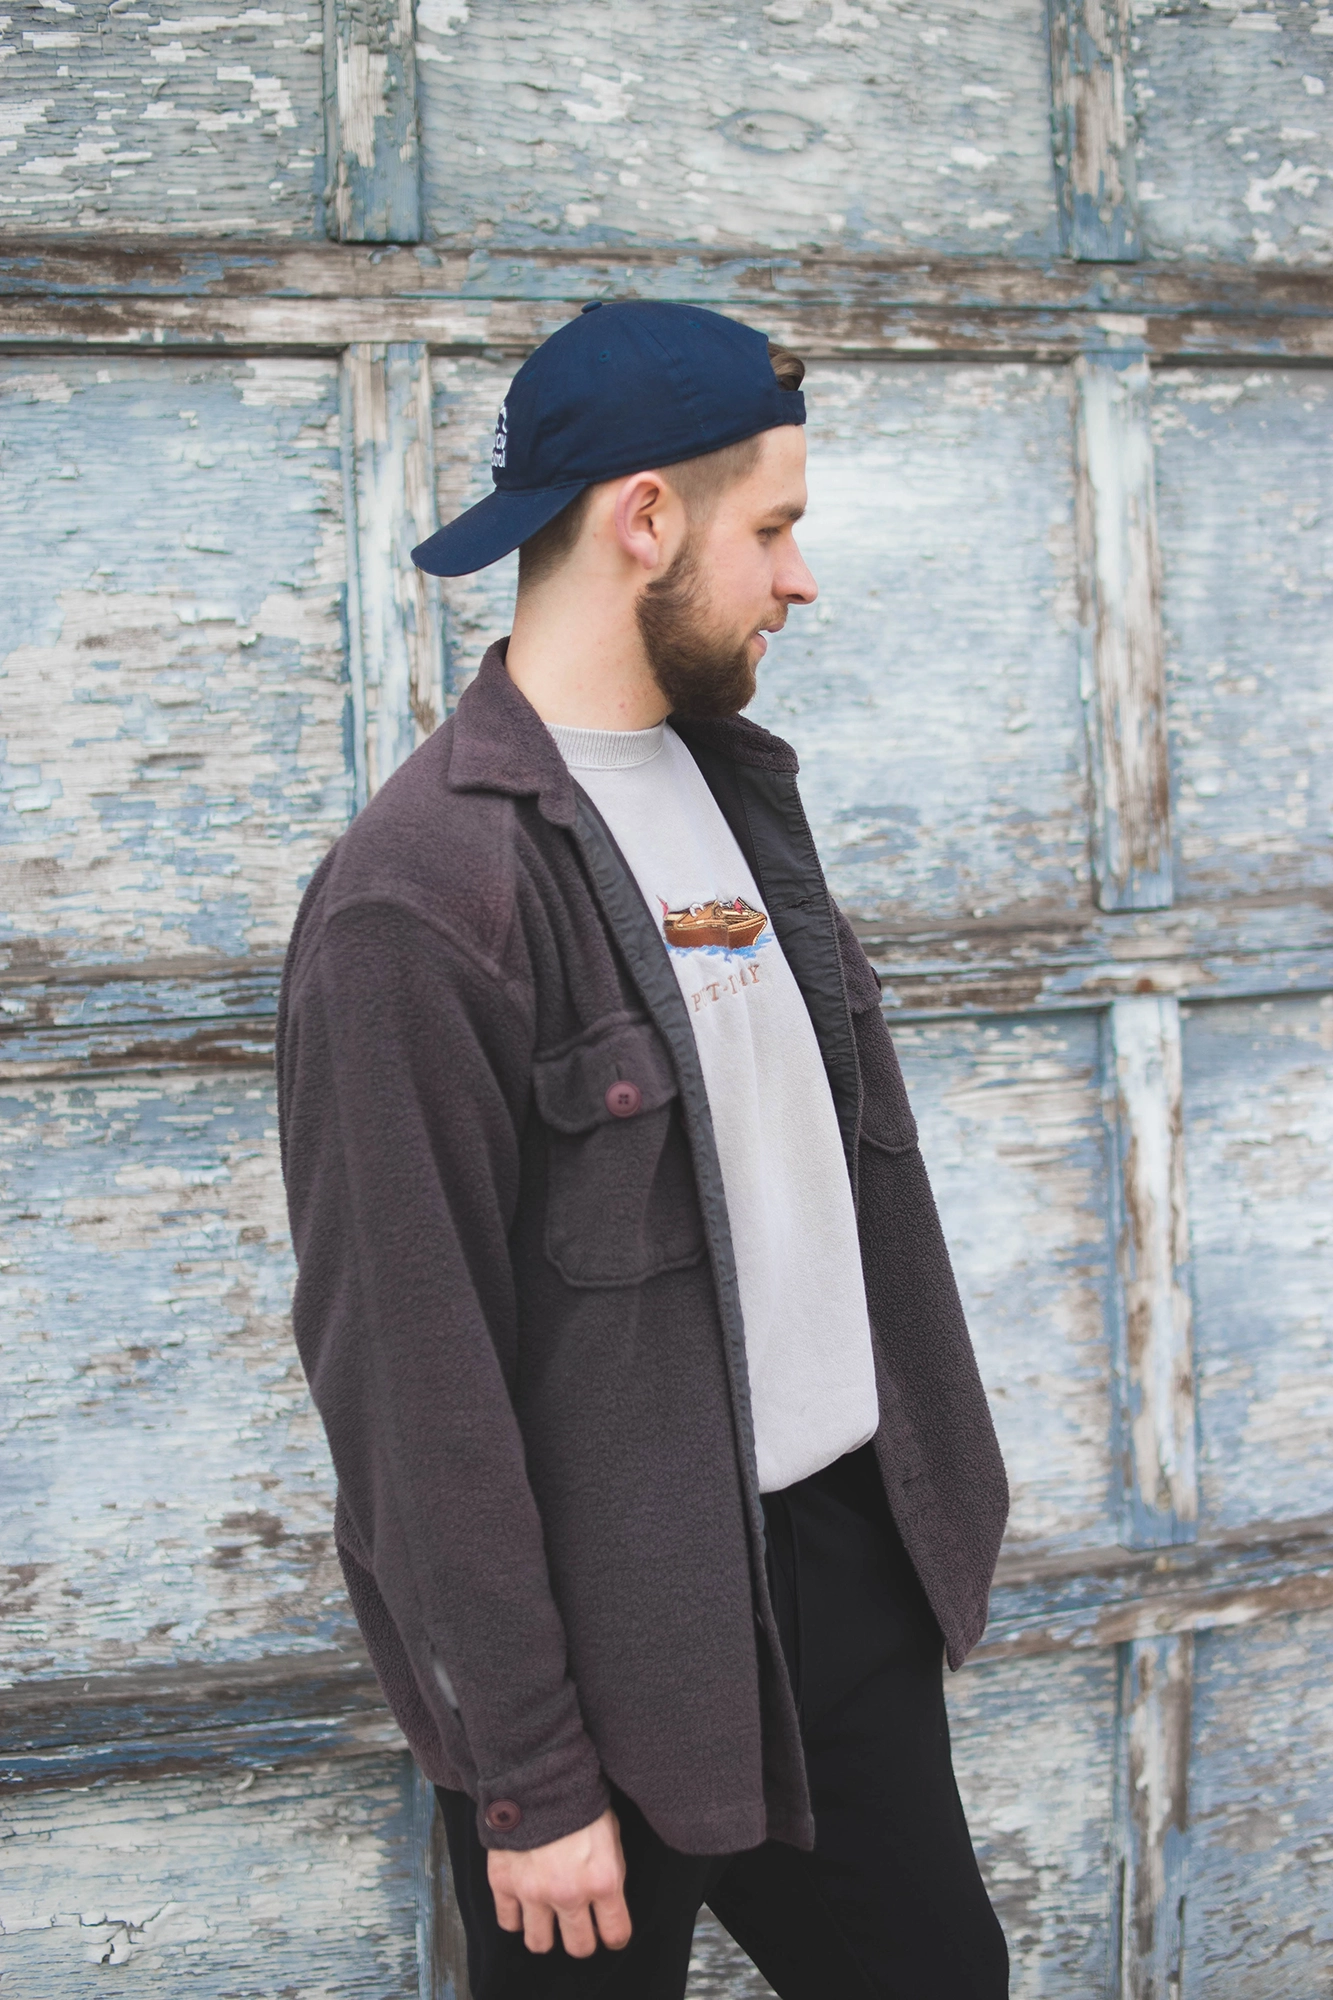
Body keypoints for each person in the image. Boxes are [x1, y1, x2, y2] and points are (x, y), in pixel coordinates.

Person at [277, 301, 1010, 2000]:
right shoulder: (419, 900)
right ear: (648, 520)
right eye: (775, 528)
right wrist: (526, 1771)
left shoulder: (733, 789)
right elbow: (409, 1382)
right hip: (605, 1660)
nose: (799, 579)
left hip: (843, 1581)